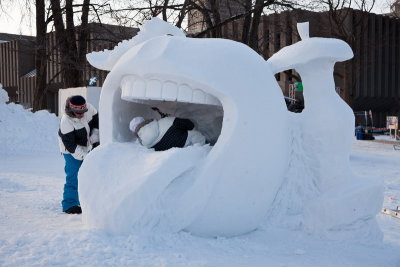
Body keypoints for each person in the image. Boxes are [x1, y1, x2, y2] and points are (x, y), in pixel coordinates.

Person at [58, 95, 99, 214]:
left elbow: (97, 119)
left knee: (89, 175)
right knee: (74, 176)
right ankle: (69, 204)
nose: (81, 114)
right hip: (71, 151)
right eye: (78, 112)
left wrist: (95, 133)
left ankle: (87, 201)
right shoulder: (66, 121)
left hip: (86, 145)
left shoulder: (89, 108)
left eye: (83, 112)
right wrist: (86, 157)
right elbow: (71, 146)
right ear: (72, 110)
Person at [129, 116, 206, 151]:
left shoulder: (145, 145)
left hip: (176, 153)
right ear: (145, 120)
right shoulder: (165, 121)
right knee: (194, 135)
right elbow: (187, 123)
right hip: (187, 141)